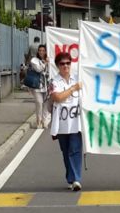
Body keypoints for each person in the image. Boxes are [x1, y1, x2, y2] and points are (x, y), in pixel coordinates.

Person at [48, 51, 84, 191]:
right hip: (61, 123)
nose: (65, 66)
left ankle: (76, 179)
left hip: (76, 121)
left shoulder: (78, 78)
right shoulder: (54, 81)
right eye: (62, 64)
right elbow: (57, 97)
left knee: (75, 149)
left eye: (68, 63)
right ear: (58, 65)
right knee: (66, 151)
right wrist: (73, 88)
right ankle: (70, 177)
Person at [24, 44, 51, 129]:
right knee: (39, 103)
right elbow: (39, 69)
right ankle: (38, 120)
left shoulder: (49, 60)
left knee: (46, 104)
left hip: (47, 85)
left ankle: (44, 121)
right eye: (40, 50)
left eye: (43, 51)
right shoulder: (34, 60)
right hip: (37, 85)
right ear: (37, 51)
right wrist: (45, 63)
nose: (41, 52)